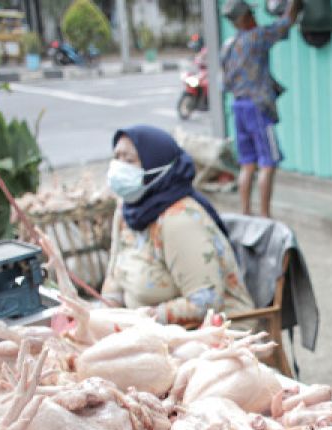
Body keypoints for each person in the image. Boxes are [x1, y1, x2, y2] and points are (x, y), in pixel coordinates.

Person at [101, 125, 254, 323]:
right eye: (117, 157)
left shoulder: (179, 220)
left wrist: (142, 319)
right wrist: (105, 309)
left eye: (129, 160)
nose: (119, 167)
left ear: (155, 166)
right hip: (150, 329)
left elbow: (205, 302)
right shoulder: (126, 210)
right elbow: (115, 274)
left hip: (211, 331)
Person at [220, 0, 302, 218]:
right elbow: (285, 23)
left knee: (248, 164)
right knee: (268, 163)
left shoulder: (228, 45)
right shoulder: (256, 38)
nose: (254, 18)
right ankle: (265, 216)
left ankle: (246, 213)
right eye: (250, 13)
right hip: (257, 107)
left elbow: (224, 83)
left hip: (238, 106)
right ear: (244, 18)